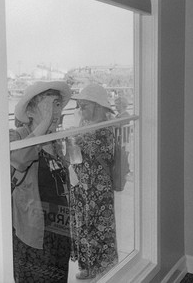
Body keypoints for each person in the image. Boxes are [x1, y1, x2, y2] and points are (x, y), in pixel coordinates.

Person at [10, 80, 73, 282]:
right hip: (33, 234)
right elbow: (18, 159)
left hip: (59, 232)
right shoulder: (18, 136)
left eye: (57, 105)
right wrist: (44, 125)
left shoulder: (54, 140)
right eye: (48, 105)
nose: (55, 112)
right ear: (30, 112)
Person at [68, 84, 119, 280]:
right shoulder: (86, 125)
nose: (81, 110)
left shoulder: (104, 129)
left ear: (98, 106)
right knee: (86, 225)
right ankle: (89, 264)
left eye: (85, 106)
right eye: (79, 106)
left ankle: (101, 265)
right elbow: (76, 155)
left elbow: (95, 151)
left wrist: (74, 137)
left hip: (98, 187)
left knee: (99, 225)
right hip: (83, 185)